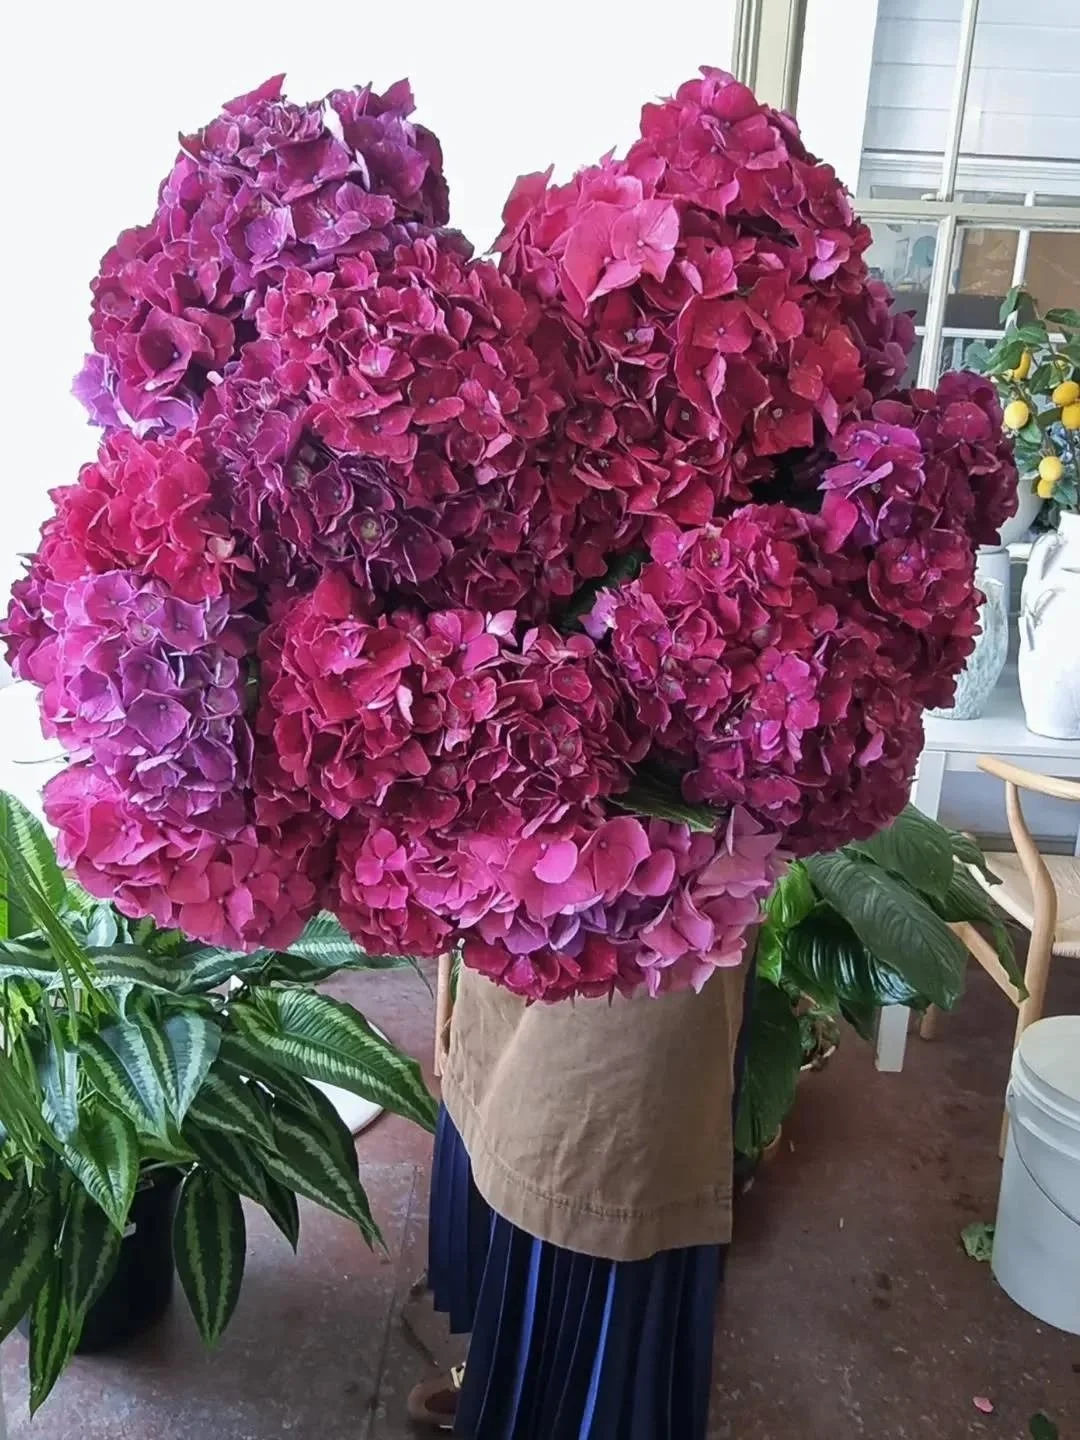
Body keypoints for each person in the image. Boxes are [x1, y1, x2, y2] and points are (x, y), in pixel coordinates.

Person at [406, 949, 755, 1439]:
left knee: (594, 1167)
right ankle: (504, 1381)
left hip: (651, 950)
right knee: (510, 1106)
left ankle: (571, 1412)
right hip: (523, 928)